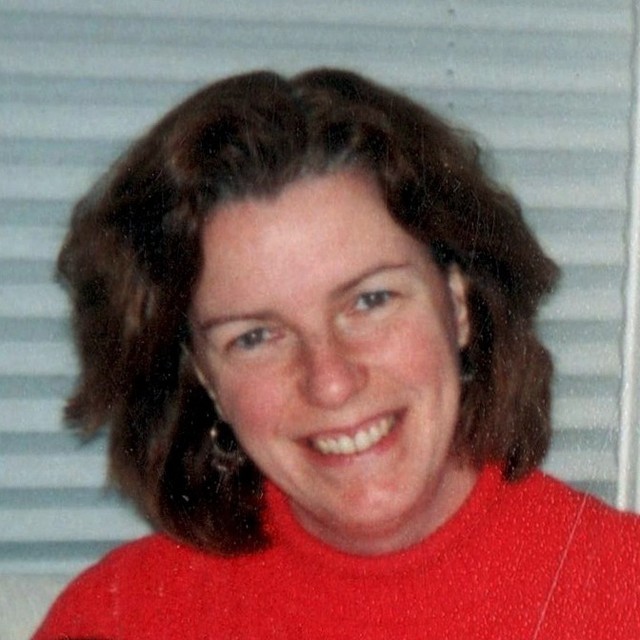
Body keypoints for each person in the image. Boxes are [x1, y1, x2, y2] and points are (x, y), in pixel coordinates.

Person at [34, 68, 639, 639]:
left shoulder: (621, 588)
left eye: (370, 300)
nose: (330, 381)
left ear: (458, 303)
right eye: (255, 336)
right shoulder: (123, 618)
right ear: (204, 377)